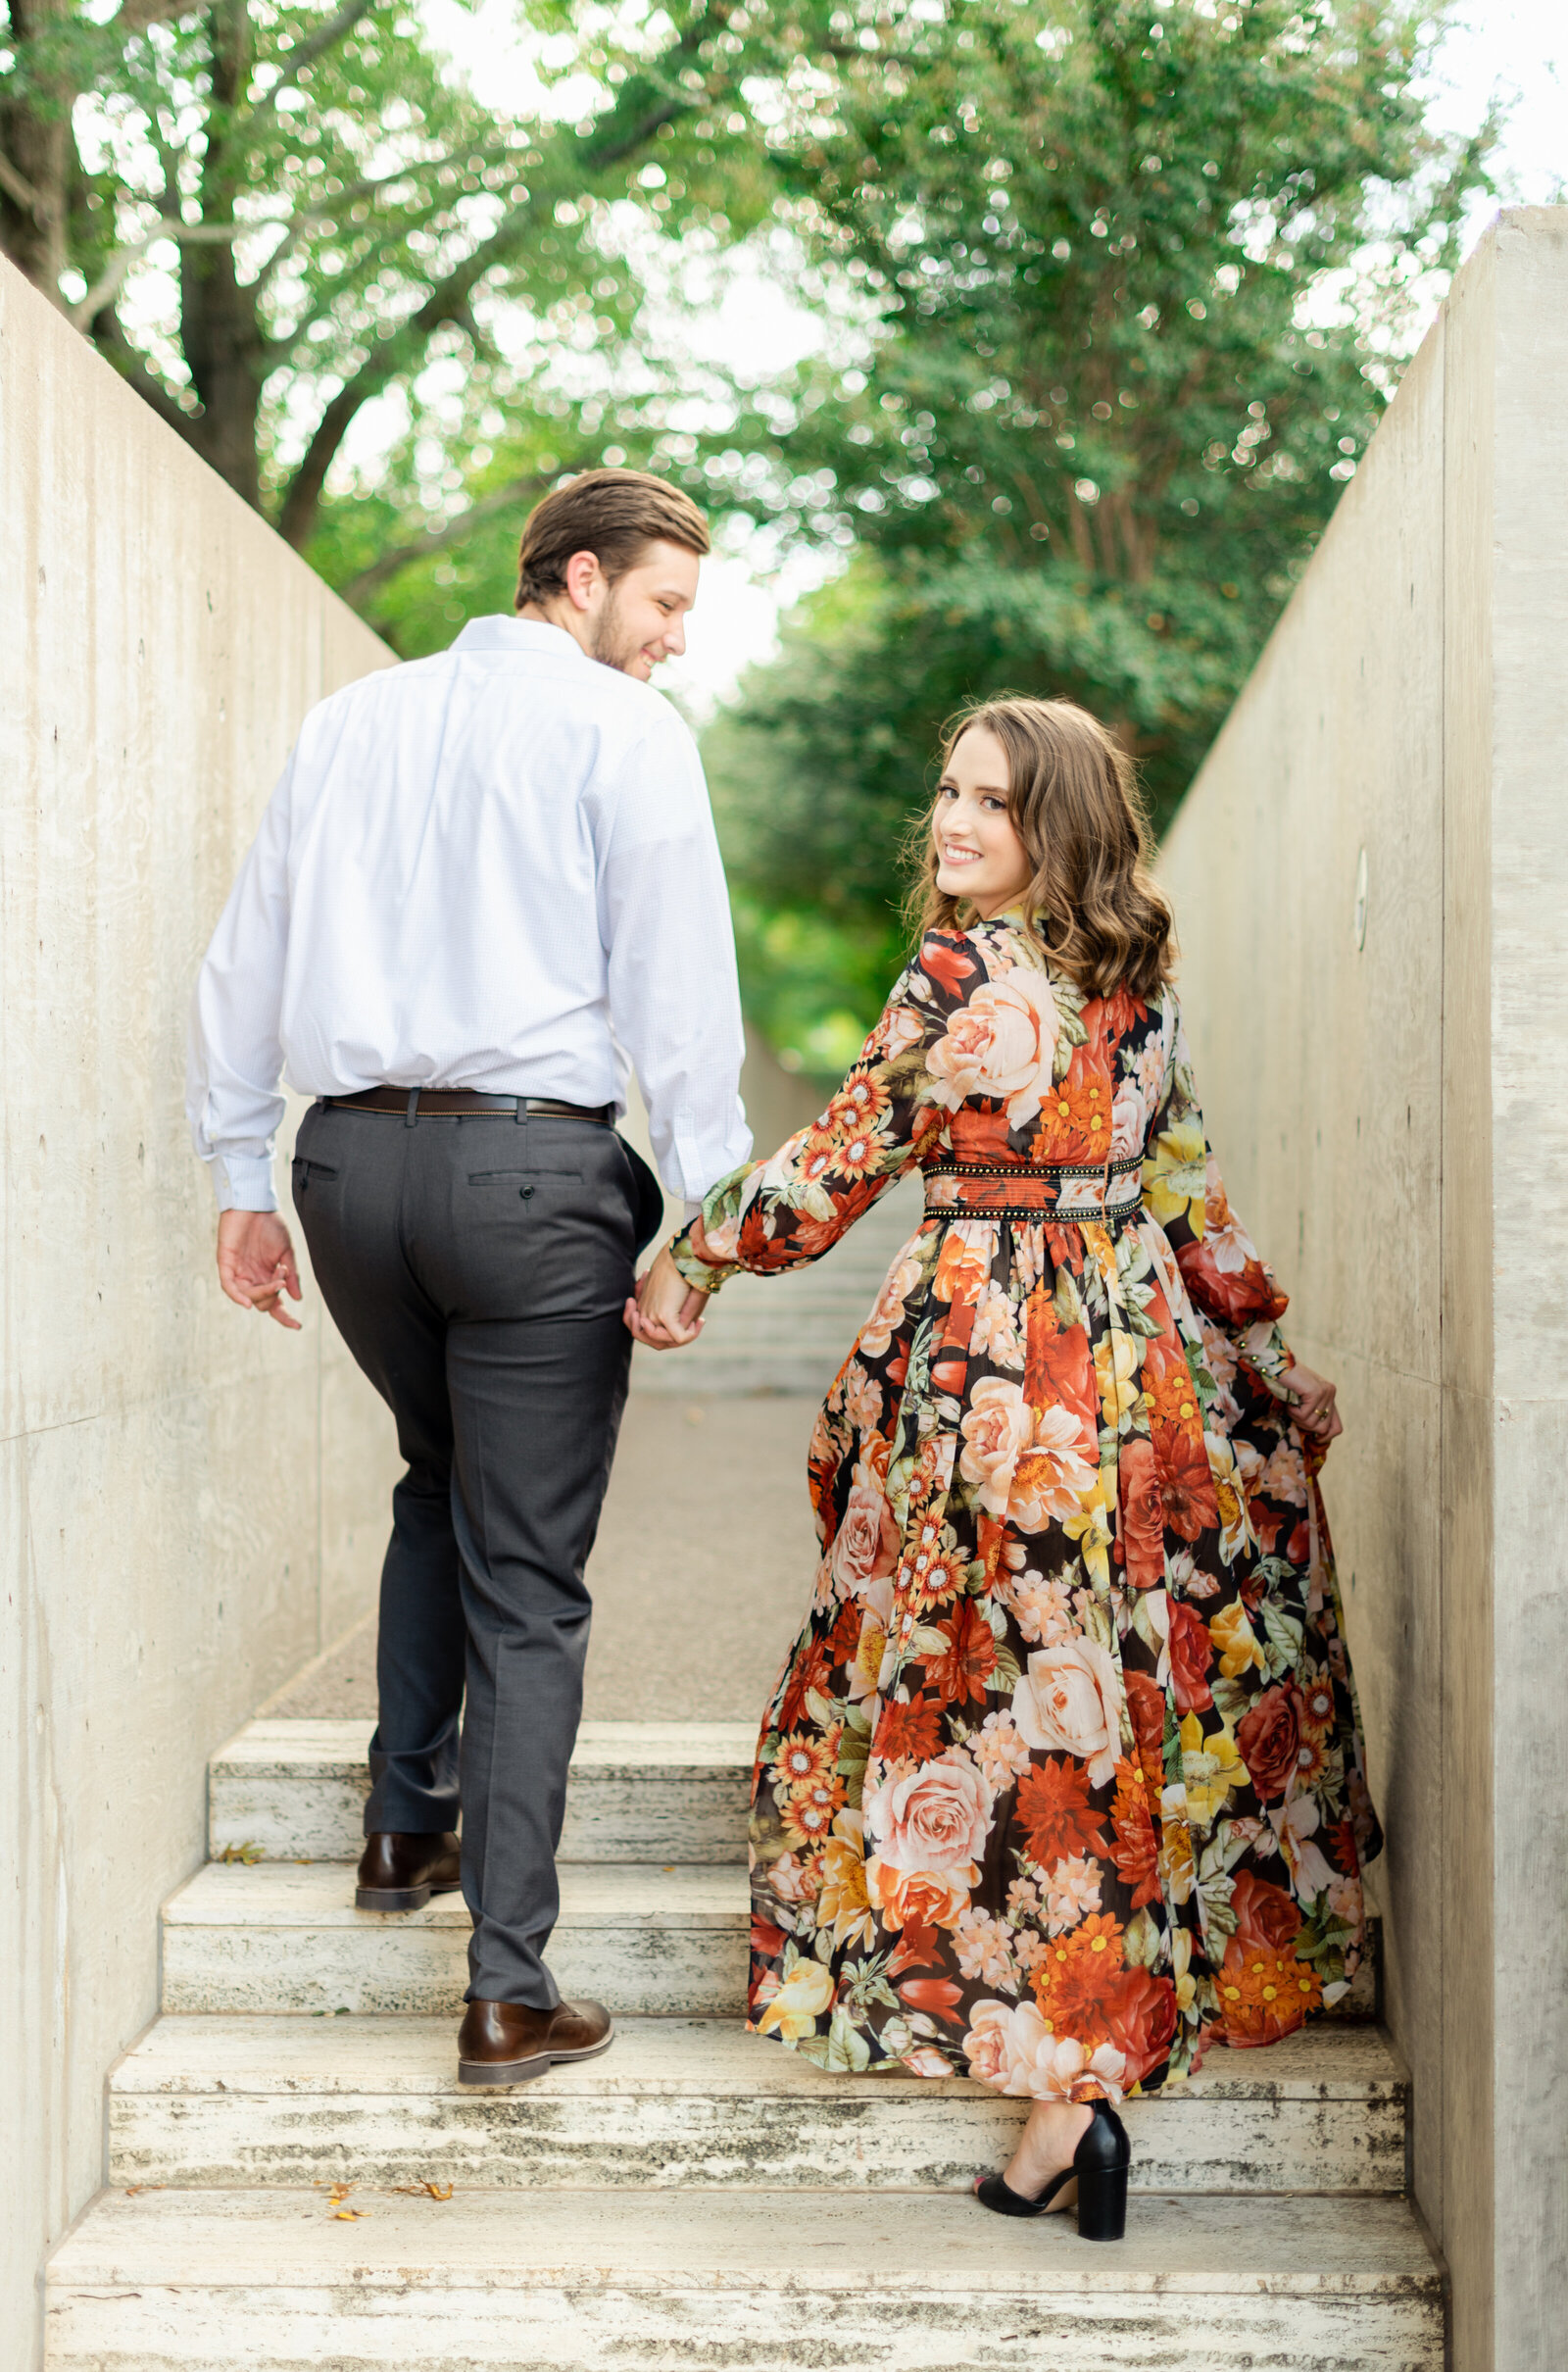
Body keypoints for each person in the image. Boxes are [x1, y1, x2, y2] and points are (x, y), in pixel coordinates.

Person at [631, 695, 1381, 2240]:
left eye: (996, 802)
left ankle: (1069, 2081)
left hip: (996, 1380)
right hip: (1129, 1365)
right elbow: (1186, 1189)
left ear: (1064, 823)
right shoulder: (1137, 976)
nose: (957, 824)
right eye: (953, 795)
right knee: (1093, 1697)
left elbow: (846, 1153)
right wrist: (1254, 1349)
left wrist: (698, 1254)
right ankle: (1082, 2074)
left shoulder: (961, 970)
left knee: (1005, 1703)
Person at [188, 469, 750, 2085]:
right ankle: (508, 1986)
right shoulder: (621, 735)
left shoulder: (350, 720)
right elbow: (675, 987)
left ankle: (399, 1822)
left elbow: (249, 956)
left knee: (439, 1479)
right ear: (576, 580)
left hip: (349, 1174)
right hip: (525, 1178)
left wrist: (241, 1179)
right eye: (661, 607)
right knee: (530, 1571)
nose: (672, 645)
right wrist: (704, 1222)